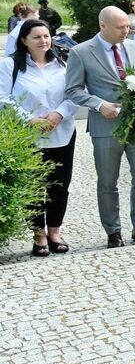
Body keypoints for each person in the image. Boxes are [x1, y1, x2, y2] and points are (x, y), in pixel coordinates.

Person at [63, 6, 135, 248]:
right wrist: (99, 104)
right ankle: (113, 231)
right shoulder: (80, 52)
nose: (126, 31)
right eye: (120, 27)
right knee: (107, 181)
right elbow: (72, 90)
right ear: (102, 25)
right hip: (105, 126)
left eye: (128, 26)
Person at [1, 19, 77, 256]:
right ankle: (38, 235)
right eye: (36, 37)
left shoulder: (64, 63)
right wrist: (31, 120)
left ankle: (54, 231)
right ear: (24, 40)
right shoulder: (9, 65)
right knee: (32, 187)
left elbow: (75, 94)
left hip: (62, 132)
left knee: (60, 185)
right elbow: (4, 99)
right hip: (27, 135)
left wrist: (57, 114)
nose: (43, 41)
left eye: (46, 36)